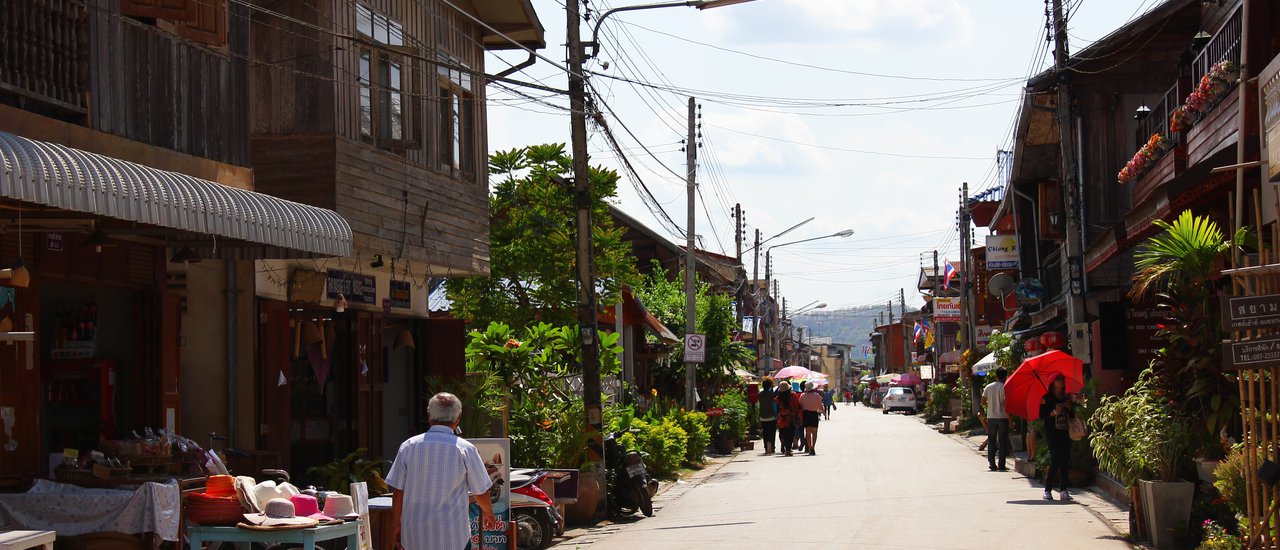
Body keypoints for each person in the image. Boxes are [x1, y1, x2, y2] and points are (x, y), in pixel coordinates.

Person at [388, 392, 496, 550]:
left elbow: (398, 491)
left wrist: (396, 524)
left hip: (413, 537)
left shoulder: (408, 446)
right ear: (457, 419)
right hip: (453, 539)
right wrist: (489, 514)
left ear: (429, 417)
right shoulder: (466, 449)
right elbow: (480, 492)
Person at [1039, 375, 1077, 501]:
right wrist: (1054, 412)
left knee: (1065, 460)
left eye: (1062, 379)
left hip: (1065, 432)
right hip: (1052, 433)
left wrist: (1070, 407)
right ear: (1053, 383)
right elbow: (1042, 415)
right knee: (1055, 459)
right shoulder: (1047, 398)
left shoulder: (1066, 397)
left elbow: (1072, 415)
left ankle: (1064, 489)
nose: (1061, 382)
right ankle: (1047, 489)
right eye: (1058, 380)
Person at [981, 368, 1011, 472]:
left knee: (992, 441)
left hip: (991, 417)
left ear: (996, 376)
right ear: (1006, 376)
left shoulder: (989, 387)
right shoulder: (1005, 388)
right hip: (1002, 417)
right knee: (1002, 442)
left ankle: (992, 463)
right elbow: (1006, 404)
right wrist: (1011, 421)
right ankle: (1001, 465)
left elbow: (983, 401)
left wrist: (990, 406)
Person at [775, 382, 801, 457]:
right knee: (790, 434)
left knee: (783, 433)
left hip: (781, 418)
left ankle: (784, 444)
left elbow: (777, 408)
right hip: (791, 418)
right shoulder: (793, 395)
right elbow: (796, 405)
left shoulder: (778, 397)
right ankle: (788, 450)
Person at [800, 381, 824, 455]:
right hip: (814, 414)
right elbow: (820, 406)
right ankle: (813, 446)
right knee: (814, 432)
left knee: (807, 432)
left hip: (806, 414)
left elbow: (800, 405)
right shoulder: (817, 395)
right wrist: (824, 412)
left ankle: (810, 447)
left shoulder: (802, 395)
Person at [758, 378, 778, 456]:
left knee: (765, 432)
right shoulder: (772, 395)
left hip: (763, 416)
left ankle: (766, 447)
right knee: (772, 432)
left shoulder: (760, 395)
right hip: (771, 416)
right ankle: (772, 446)